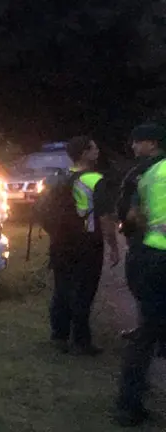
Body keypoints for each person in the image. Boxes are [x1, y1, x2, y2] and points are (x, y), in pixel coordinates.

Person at [48, 136, 119, 355]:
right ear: (84, 153)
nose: (98, 151)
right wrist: (114, 246)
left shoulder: (61, 177)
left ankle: (59, 335)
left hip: (60, 241)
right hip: (86, 242)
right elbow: (106, 218)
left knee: (62, 288)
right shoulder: (95, 180)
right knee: (83, 291)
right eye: (94, 148)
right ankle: (81, 342)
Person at [114, 153, 166, 427]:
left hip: (149, 255)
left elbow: (133, 215)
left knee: (146, 333)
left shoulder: (151, 173)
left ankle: (128, 403)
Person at [117, 123, 166, 359]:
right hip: (146, 240)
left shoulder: (148, 172)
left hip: (147, 243)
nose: (133, 145)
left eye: (138, 141)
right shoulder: (146, 169)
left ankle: (149, 336)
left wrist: (128, 224)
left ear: (152, 143)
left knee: (146, 291)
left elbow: (134, 210)